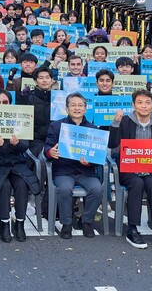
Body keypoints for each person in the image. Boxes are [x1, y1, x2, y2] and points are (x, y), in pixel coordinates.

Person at [109, 89, 152, 250]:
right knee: (136, 184)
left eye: (147, 103)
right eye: (140, 103)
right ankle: (132, 228)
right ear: (133, 105)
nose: (144, 106)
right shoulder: (124, 121)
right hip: (130, 167)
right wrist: (115, 123)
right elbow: (112, 144)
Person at [0, 89, 40, 243]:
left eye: (5, 102)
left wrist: (17, 144)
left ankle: (20, 223)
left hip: (16, 164)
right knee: (4, 186)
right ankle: (5, 224)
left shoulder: (18, 118)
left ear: (10, 104)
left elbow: (26, 145)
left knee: (21, 184)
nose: (1, 105)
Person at [44, 93, 102, 239]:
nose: (77, 108)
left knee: (97, 189)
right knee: (64, 189)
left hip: (85, 170)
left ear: (85, 108)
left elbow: (97, 155)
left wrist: (90, 162)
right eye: (73, 105)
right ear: (67, 108)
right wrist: (51, 152)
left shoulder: (93, 128)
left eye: (80, 105)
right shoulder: (56, 126)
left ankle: (86, 221)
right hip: (64, 170)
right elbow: (47, 148)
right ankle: (66, 223)